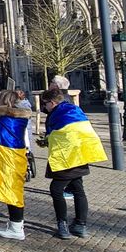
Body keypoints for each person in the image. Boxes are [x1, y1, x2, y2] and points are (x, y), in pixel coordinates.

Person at [41, 86, 105, 239]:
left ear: (52, 103)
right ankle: (80, 224)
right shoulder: (76, 110)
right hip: (81, 154)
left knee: (56, 190)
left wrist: (46, 141)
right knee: (78, 189)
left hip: (66, 157)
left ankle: (62, 225)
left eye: (45, 104)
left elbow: (54, 135)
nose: (45, 107)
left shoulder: (55, 115)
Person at [0, 89, 35, 241]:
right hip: (18, 155)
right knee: (15, 190)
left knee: (11, 192)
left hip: (5, 157)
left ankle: (16, 227)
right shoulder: (22, 118)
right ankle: (15, 224)